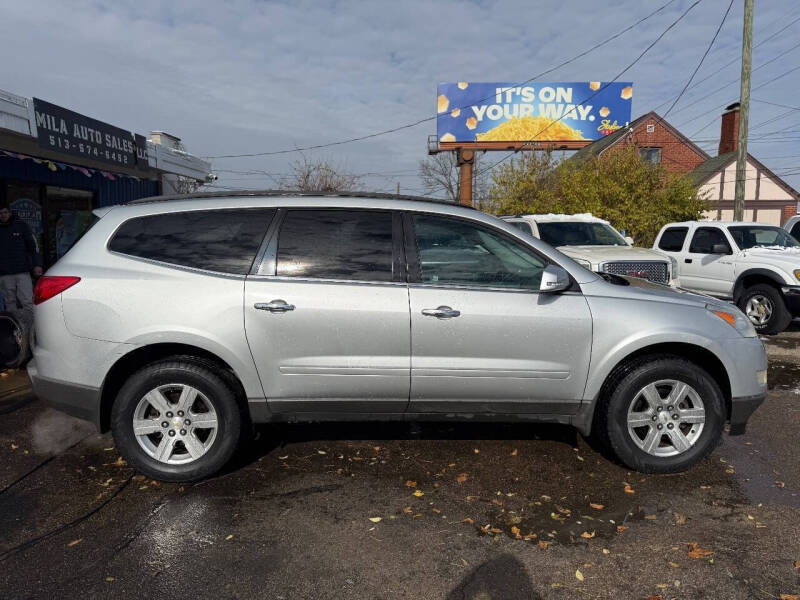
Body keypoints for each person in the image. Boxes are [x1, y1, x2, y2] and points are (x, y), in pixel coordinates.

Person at [0, 200, 42, 326]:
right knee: (9, 303)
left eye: (5, 212)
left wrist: (37, 264)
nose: (3, 215)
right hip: (4, 274)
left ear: (10, 212)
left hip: (22, 271)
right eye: (0, 213)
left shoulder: (21, 226)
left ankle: (33, 328)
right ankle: (16, 330)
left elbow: (32, 247)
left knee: (27, 302)